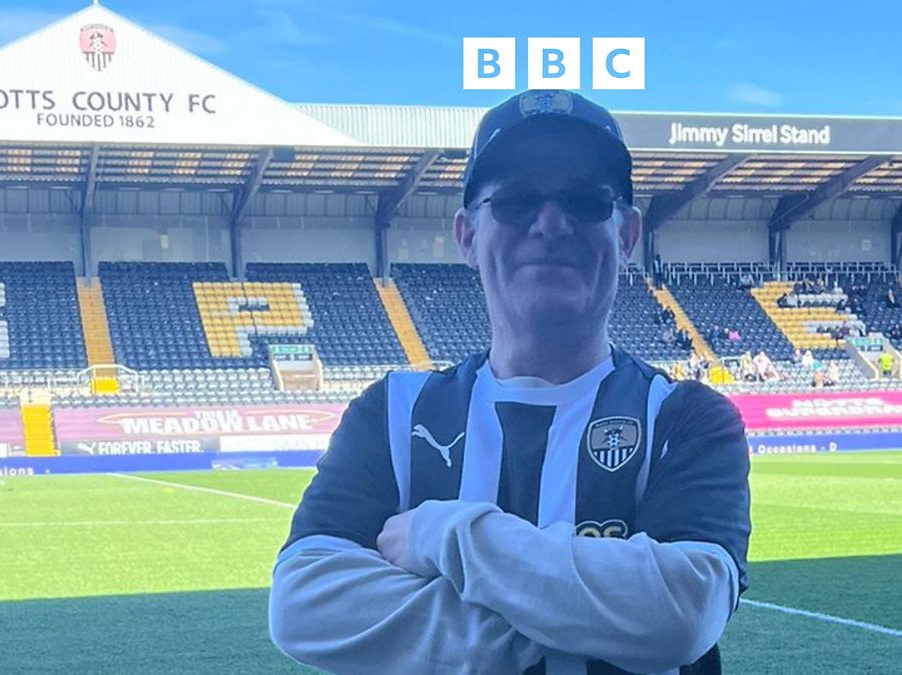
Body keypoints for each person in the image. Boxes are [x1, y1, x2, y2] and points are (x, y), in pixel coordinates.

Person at [269, 90, 750, 675]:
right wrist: (577, 630)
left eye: (585, 201)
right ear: (467, 236)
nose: (550, 223)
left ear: (627, 236)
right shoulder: (391, 412)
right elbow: (303, 603)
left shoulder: (688, 418)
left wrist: (443, 532)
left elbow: (684, 611)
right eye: (517, 201)